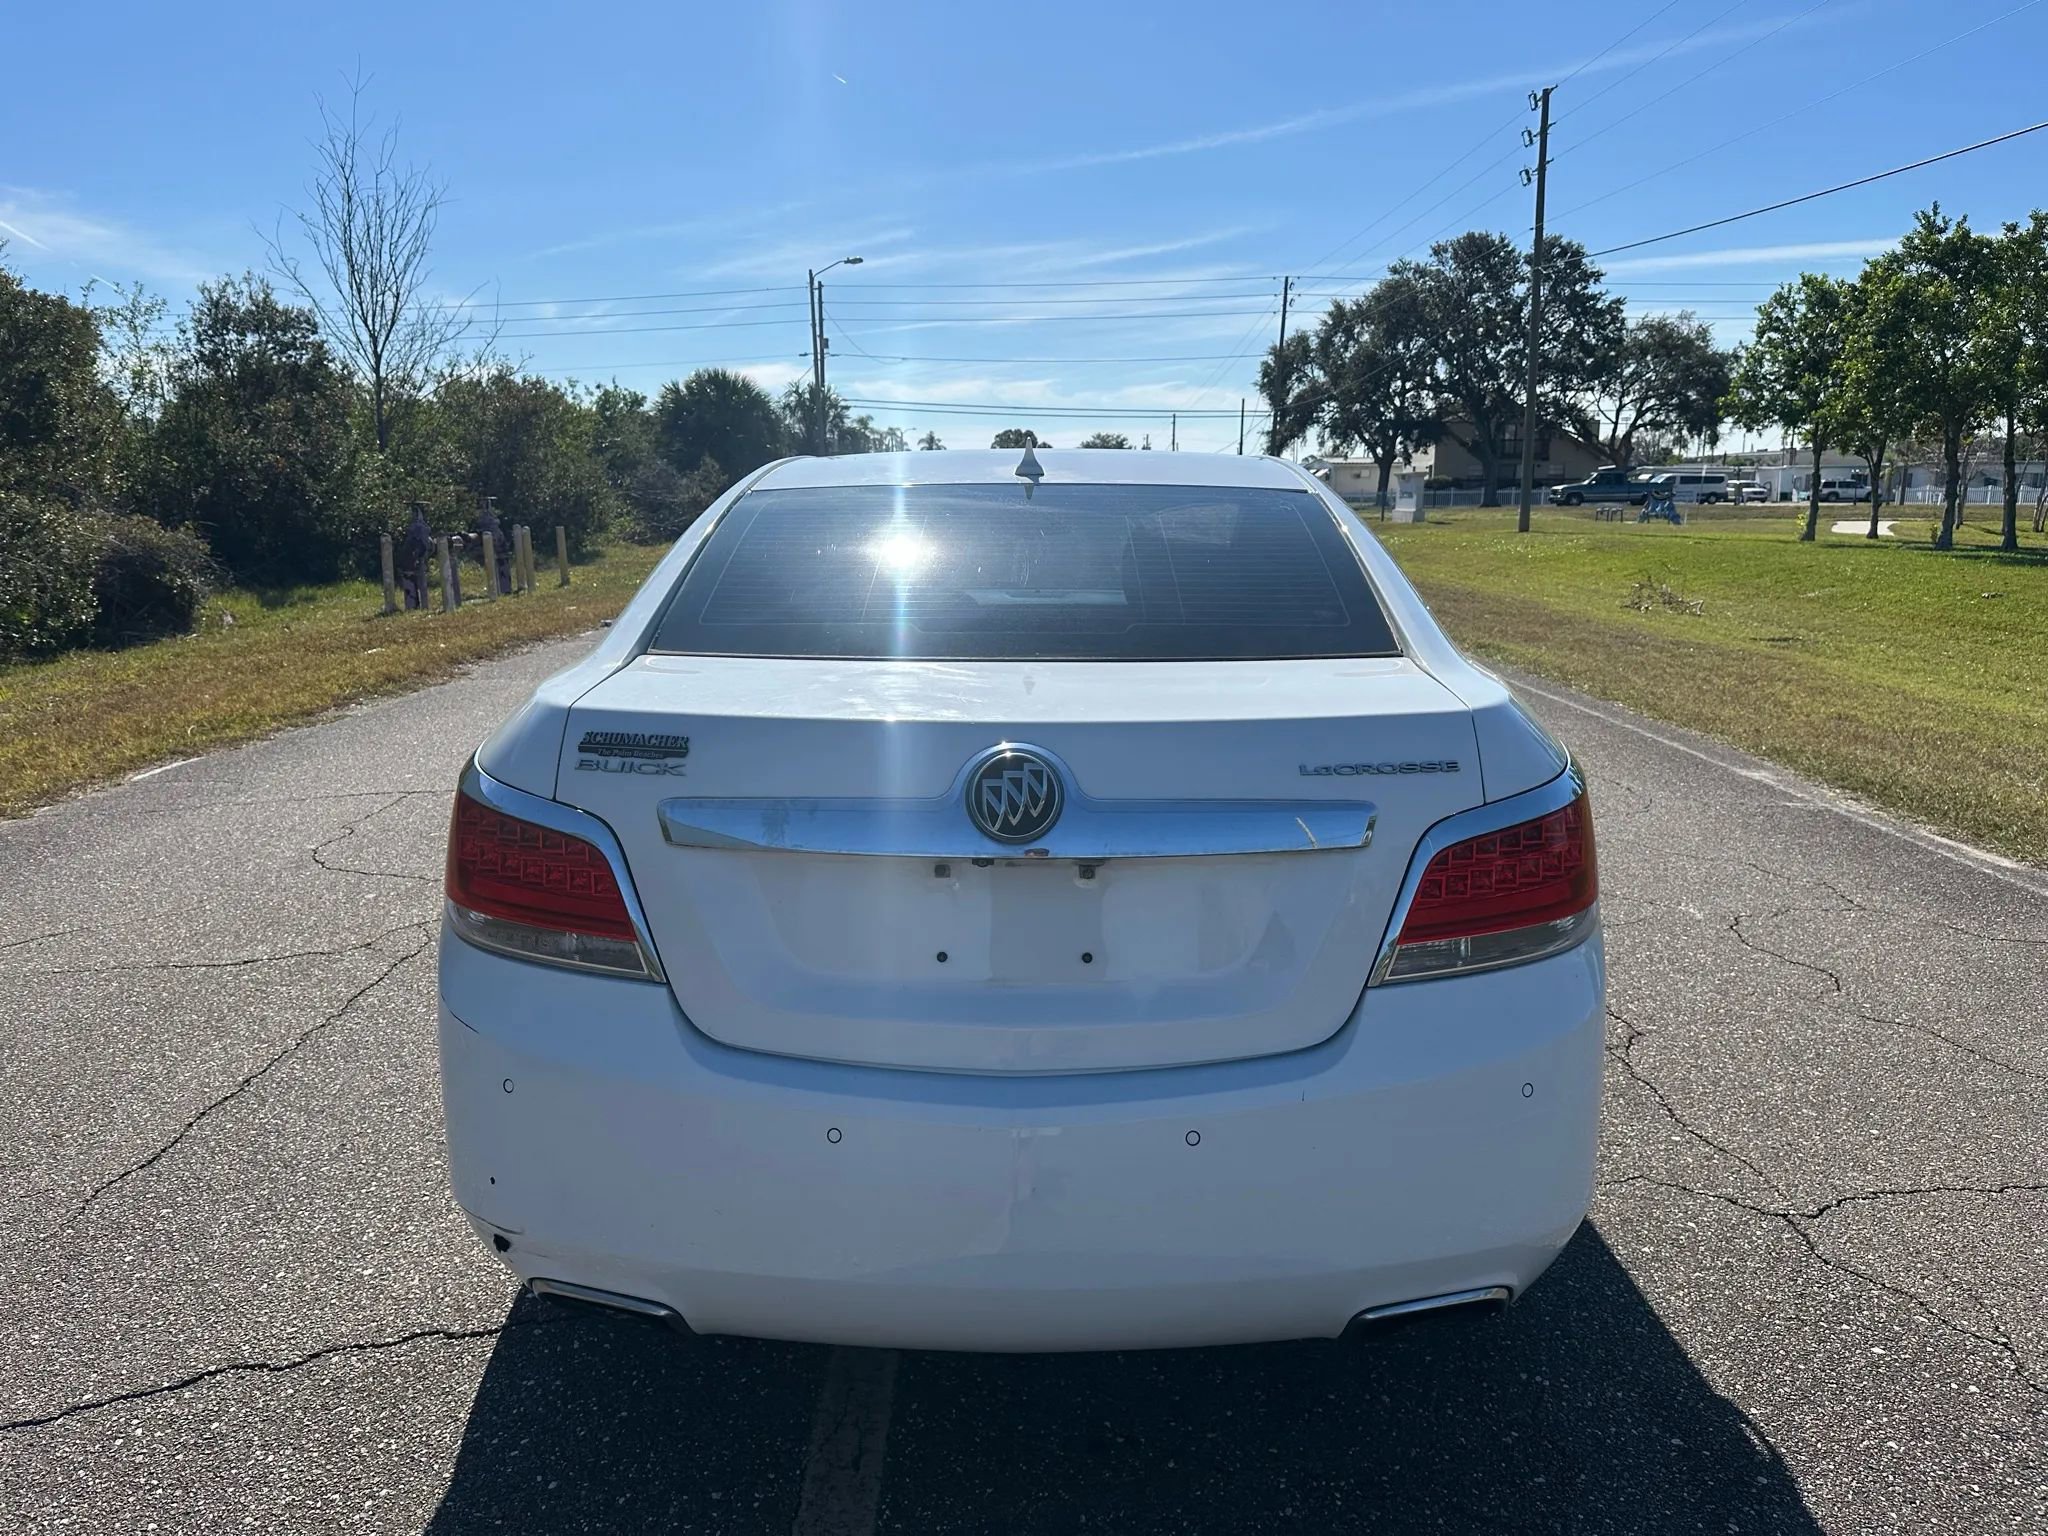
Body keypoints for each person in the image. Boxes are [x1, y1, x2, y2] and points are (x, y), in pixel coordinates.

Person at [399, 505, 434, 610]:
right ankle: (413, 605)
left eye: (414, 513)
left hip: (416, 556)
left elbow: (424, 544)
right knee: (411, 579)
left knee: (418, 580)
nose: (412, 515)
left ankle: (417, 605)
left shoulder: (420, 527)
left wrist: (419, 554)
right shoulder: (415, 527)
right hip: (411, 560)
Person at [477, 500, 512, 595]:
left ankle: (505, 589)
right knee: (498, 565)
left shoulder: (491, 524)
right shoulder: (489, 521)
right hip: (496, 547)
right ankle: (502, 589)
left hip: (500, 549)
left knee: (502, 564)